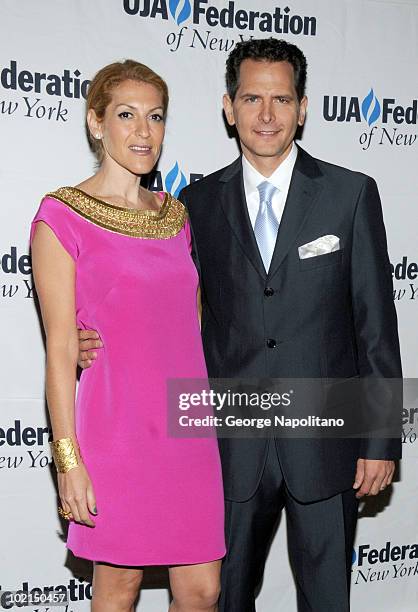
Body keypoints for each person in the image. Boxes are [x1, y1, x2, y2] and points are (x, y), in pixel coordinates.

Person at [79, 40, 402, 611]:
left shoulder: (351, 195)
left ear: (303, 107)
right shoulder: (191, 205)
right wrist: (93, 342)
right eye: (252, 98)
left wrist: (379, 438)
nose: (267, 115)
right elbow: (163, 308)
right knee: (223, 600)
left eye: (282, 99)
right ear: (229, 107)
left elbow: (375, 325)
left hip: (327, 440)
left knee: (329, 601)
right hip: (227, 447)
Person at [30, 59, 225, 612]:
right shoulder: (61, 216)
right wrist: (68, 458)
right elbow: (62, 349)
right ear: (96, 123)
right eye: (127, 115)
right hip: (116, 429)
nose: (144, 132)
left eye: (156, 117)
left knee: (203, 589)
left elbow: (190, 320)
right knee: (119, 588)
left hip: (186, 426)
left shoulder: (177, 216)